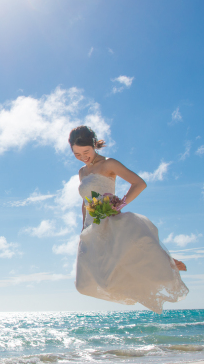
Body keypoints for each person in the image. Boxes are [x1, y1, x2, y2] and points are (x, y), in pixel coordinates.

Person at [70, 126, 188, 313]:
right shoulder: (82, 172)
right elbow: (85, 202)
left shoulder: (109, 164)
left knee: (116, 271)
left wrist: (120, 204)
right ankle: (163, 264)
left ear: (94, 145)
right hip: (91, 227)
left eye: (86, 152)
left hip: (109, 220)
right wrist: (83, 228)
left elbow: (139, 183)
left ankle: (167, 264)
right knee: (85, 284)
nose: (83, 156)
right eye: (77, 154)